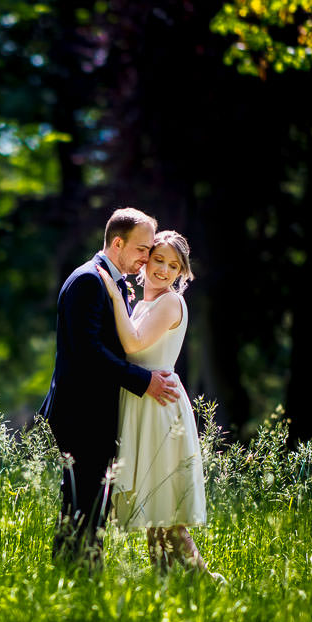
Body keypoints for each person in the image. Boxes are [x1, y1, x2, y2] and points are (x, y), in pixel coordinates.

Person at [38, 208, 180, 568]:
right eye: (143, 249)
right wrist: (143, 381)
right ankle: (75, 580)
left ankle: (79, 579)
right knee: (83, 503)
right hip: (81, 412)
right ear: (118, 243)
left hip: (94, 411)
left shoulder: (112, 281)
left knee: (91, 504)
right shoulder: (88, 280)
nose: (147, 259)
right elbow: (89, 353)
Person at [95, 230, 221, 580]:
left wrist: (112, 292)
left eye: (174, 266)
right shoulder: (143, 303)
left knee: (168, 515)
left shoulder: (169, 302)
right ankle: (163, 590)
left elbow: (134, 346)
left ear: (183, 273)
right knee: (153, 514)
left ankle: (207, 583)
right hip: (143, 403)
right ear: (146, 260)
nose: (164, 270)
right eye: (159, 260)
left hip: (161, 407)